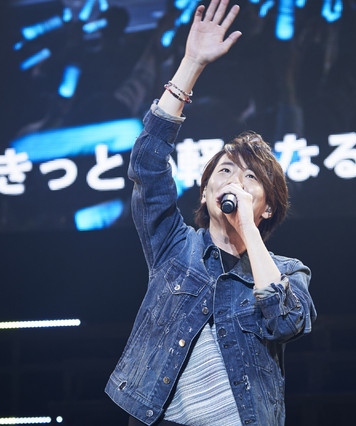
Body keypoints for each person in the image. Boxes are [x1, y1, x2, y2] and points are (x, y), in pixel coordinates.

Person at [105, 1, 316, 425]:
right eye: (225, 170)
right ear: (205, 194)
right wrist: (191, 64)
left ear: (268, 207)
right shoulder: (175, 246)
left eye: (251, 178)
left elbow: (286, 321)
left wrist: (246, 228)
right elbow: (147, 163)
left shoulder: (287, 272)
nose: (235, 180)